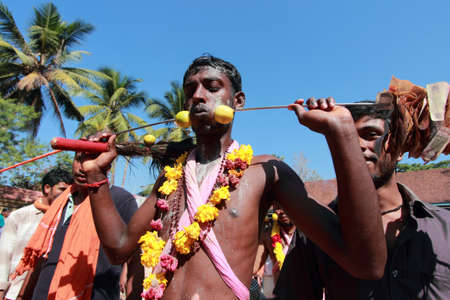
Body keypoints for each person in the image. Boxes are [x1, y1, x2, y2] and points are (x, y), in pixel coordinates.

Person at [81, 55, 386, 300]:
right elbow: (119, 247)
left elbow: (366, 263)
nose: (198, 96)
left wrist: (342, 132)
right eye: (190, 91)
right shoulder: (169, 178)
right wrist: (95, 175)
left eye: (211, 87)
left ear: (238, 101)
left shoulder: (267, 171)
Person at [274, 96, 450, 299]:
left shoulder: (444, 227)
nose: (356, 145)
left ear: (397, 147)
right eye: (346, 136)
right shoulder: (317, 231)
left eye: (370, 134)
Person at [11, 152, 140, 300]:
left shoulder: (121, 199)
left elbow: (134, 258)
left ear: (107, 163)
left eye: (93, 159)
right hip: (44, 293)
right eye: (79, 159)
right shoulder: (61, 200)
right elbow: (42, 255)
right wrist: (23, 295)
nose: (83, 167)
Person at [0, 168, 72, 300]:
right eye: (62, 189)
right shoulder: (20, 216)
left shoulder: (66, 221)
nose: (66, 195)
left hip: (45, 292)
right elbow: (4, 255)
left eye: (69, 191)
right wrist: (1, 287)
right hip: (14, 290)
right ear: (47, 188)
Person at [253, 204, 295, 298]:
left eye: (286, 206)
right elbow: (255, 267)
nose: (282, 212)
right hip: (281, 293)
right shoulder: (267, 234)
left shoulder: (307, 232)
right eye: (278, 208)